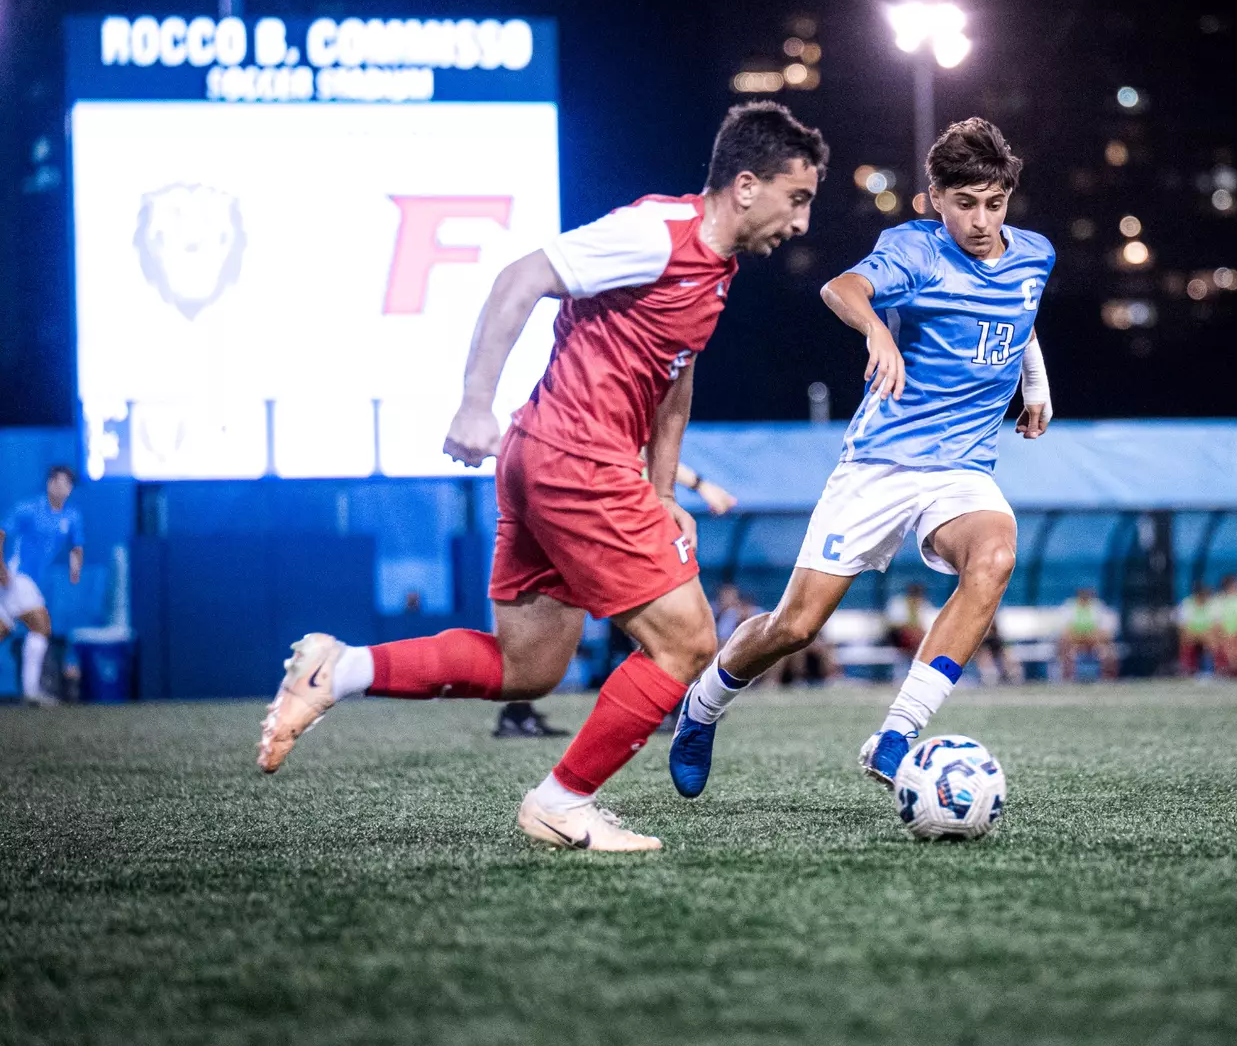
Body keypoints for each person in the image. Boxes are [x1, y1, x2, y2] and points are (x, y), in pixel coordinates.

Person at [256, 101, 828, 852]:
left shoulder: (715, 272)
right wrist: (472, 401)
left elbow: (674, 383)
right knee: (687, 643)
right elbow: (519, 278)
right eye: (799, 198)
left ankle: (344, 668)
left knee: (530, 666)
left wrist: (660, 496)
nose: (803, 221)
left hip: (549, 459)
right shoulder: (655, 233)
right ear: (747, 185)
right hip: (575, 458)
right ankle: (562, 800)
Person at [668, 117, 1054, 795]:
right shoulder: (913, 250)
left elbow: (1020, 316)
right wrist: (877, 328)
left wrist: (1036, 387)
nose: (981, 220)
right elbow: (840, 288)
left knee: (994, 556)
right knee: (796, 625)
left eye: (994, 203)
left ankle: (896, 736)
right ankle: (702, 706)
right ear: (935, 197)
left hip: (962, 467)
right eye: (965, 204)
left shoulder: (1035, 255)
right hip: (882, 461)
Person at [493, 462, 738, 739]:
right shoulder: (601, 439)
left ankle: (517, 713)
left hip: (602, 529)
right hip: (599, 531)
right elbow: (646, 452)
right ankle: (515, 712)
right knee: (656, 624)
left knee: (654, 626)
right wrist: (701, 485)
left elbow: (647, 455)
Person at [1, 466, 85, 706]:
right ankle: (30, 692)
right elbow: (1, 533)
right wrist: (1, 568)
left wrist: (75, 564)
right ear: (49, 483)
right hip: (17, 576)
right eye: (58, 482)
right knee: (41, 624)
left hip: (27, 581)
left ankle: (30, 692)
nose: (62, 487)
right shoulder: (28, 509)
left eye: (67, 484)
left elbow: (77, 545)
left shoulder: (72, 516)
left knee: (3, 630)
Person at [1056, 586, 1116, 681]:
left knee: (1109, 653)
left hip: (1095, 643)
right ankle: (1067, 680)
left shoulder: (1098, 606)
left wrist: (1091, 638)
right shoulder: (1069, 607)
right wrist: (1082, 638)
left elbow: (1106, 633)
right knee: (1064, 647)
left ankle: (1108, 681)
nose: (1085, 598)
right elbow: (1065, 632)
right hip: (1075, 643)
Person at [884, 581, 938, 659]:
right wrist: (911, 629)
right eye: (914, 596)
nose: (916, 599)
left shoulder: (925, 606)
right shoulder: (898, 603)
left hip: (917, 639)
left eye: (918, 596)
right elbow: (892, 624)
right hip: (898, 637)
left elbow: (928, 627)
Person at [1176, 581, 1216, 675]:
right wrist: (1198, 636)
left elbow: (1215, 626)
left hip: (1206, 636)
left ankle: (1209, 670)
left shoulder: (1211, 605)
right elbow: (1183, 627)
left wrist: (1204, 637)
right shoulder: (1187, 604)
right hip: (1191, 636)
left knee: (1212, 641)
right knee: (1186, 639)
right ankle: (1187, 669)